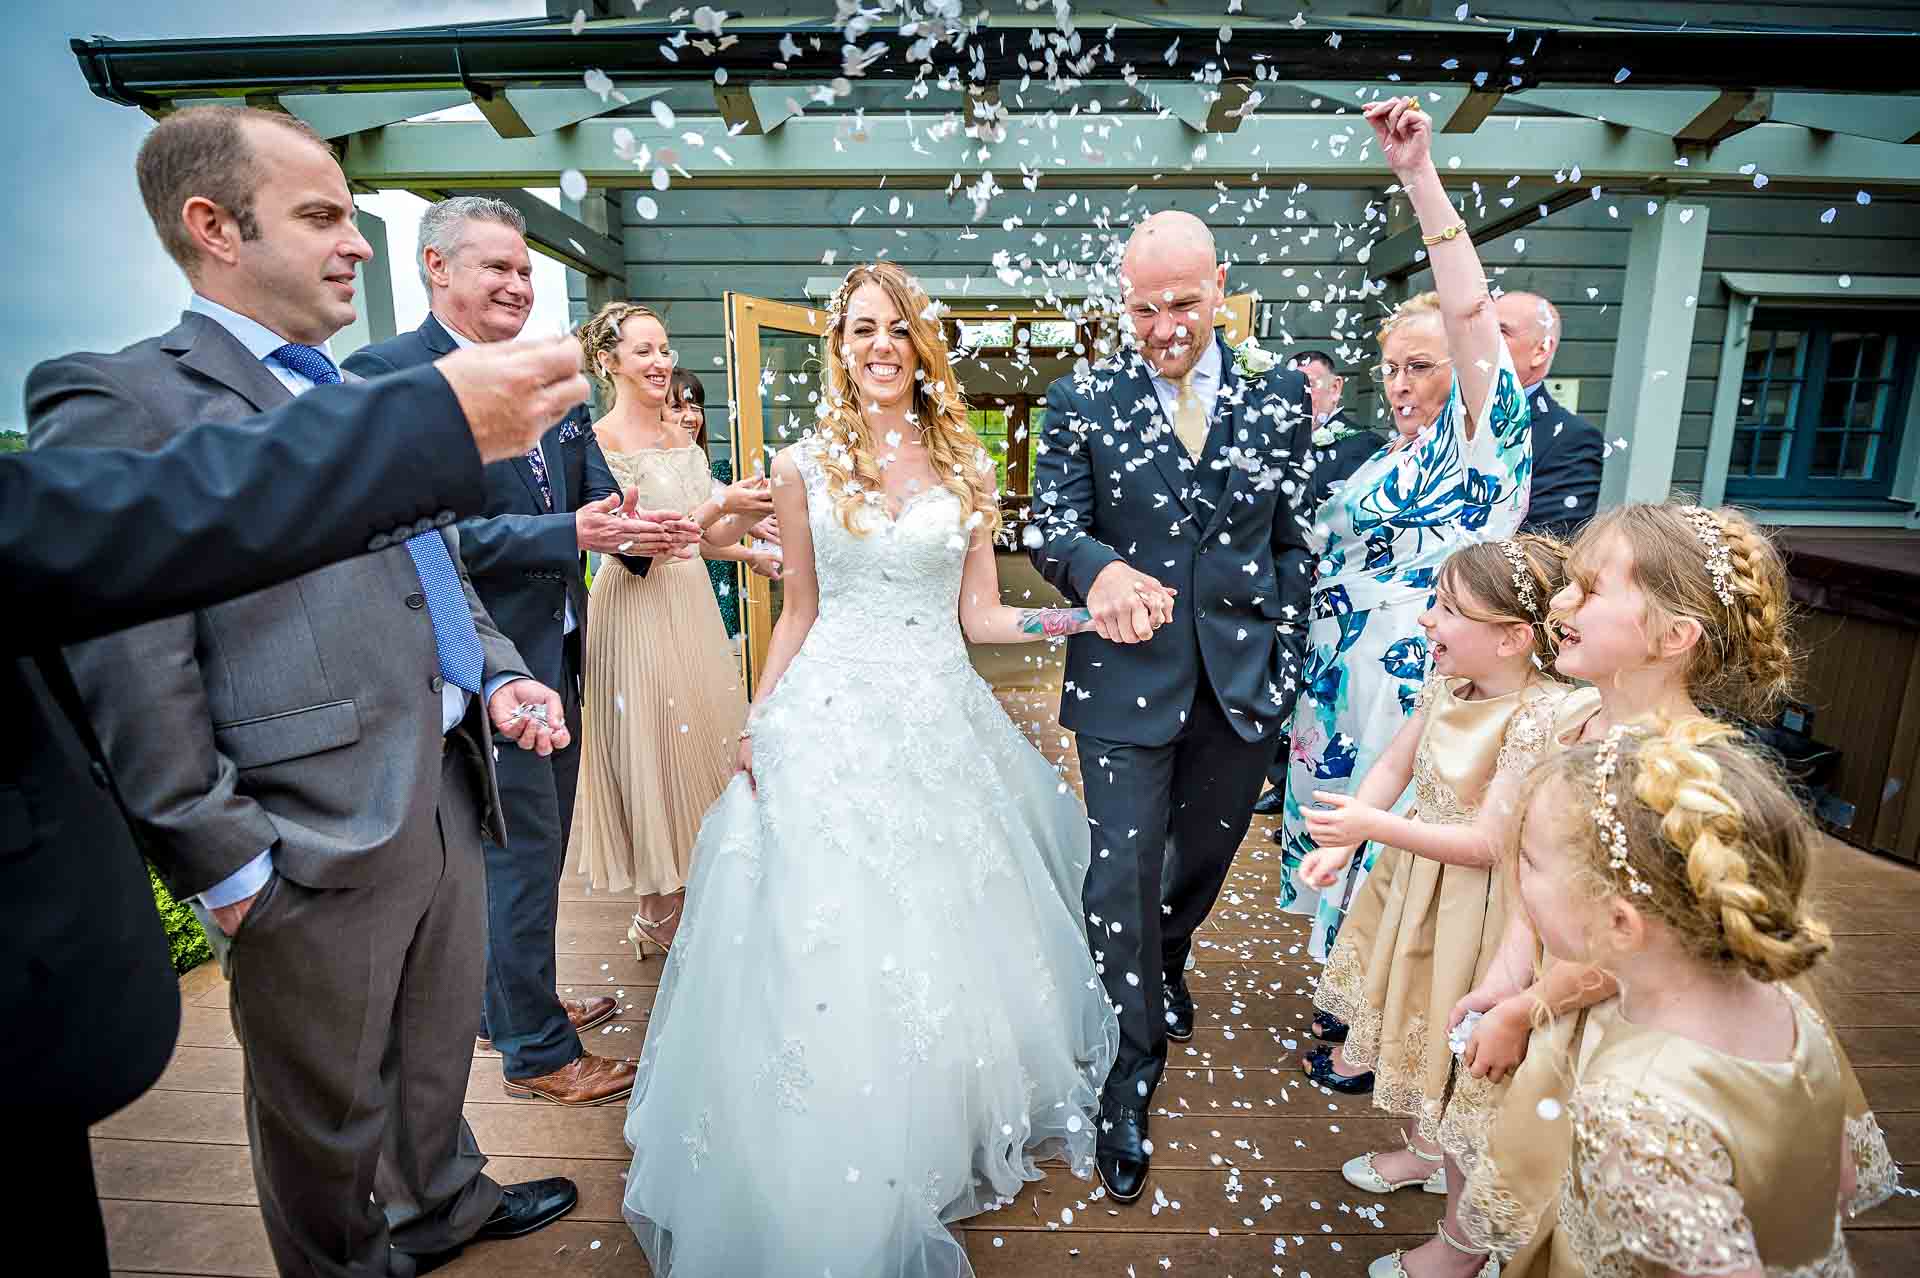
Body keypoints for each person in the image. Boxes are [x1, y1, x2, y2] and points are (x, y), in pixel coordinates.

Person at [27, 104, 581, 1276]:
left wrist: (501, 676)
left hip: (442, 783)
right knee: (322, 1114)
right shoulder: (122, 395)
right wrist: (221, 858)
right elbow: (126, 650)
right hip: (301, 829)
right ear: (213, 226)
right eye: (323, 215)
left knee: (433, 1052)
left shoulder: (341, 394)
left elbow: (433, 564)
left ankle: (440, 1205)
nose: (359, 243)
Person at [617, 262, 1117, 1276]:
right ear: (838, 349)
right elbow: (798, 610)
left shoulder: (965, 466)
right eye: (859, 330)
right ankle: (819, 1136)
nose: (878, 345)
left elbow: (982, 619)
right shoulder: (802, 464)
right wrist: (760, 722)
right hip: (830, 713)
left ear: (921, 346)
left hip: (937, 715)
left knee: (940, 926)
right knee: (818, 926)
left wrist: (1083, 614)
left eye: (895, 328)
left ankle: (923, 1125)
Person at [1446, 502, 1899, 1276]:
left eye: (1588, 592)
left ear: (1673, 636)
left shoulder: (1684, 780)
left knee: (1582, 1174)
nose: (1558, 603)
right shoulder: (1573, 721)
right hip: (1569, 986)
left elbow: (1645, 938)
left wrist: (1529, 1006)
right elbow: (1540, 883)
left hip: (1631, 1019)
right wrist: (1504, 972)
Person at [344, 195, 695, 1107]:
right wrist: (564, 534)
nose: (516, 285)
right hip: (473, 666)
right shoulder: (390, 375)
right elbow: (423, 536)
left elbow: (592, 498)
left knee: (532, 853)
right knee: (519, 854)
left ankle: (507, 1008)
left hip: (560, 656)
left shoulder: (549, 381)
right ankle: (539, 1054)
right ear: (436, 267)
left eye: (525, 271)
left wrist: (638, 530)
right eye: (495, 267)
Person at [1029, 209, 1315, 1202]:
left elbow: (1291, 533)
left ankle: (1172, 952)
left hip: (1242, 684)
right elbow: (1050, 525)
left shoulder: (1280, 395)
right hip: (1123, 685)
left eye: (1184, 303)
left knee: (1200, 861)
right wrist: (1098, 569)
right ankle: (1128, 1070)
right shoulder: (1081, 398)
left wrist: (1284, 657)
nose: (1164, 326)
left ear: (1222, 288)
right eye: (1143, 308)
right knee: (1121, 872)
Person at [1275, 97, 1535, 967]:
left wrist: (1417, 177)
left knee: (1394, 834)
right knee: (1339, 825)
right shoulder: (1388, 456)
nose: (1399, 383)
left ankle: (1374, 1009)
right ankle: (1339, 982)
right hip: (1339, 673)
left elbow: (1467, 314)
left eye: (1419, 366)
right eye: (1390, 368)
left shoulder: (1479, 438)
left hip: (1416, 669)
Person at [1481, 719, 1860, 1277]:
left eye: (1530, 862)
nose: (1515, 873)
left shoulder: (1635, 1103)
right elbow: (1841, 1178)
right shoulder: (1787, 1011)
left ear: (1619, 922)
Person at [1292, 537, 1570, 1278]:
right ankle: (1422, 1149)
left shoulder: (1539, 718)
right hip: (1415, 891)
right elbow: (1394, 763)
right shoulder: (1451, 685)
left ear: (1513, 636)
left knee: (1460, 1067)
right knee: (1414, 1030)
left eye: (1448, 609)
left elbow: (1487, 843)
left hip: (1479, 917)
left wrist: (1370, 829)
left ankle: (1464, 1242)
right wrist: (1350, 840)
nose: (1425, 620)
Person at [569, 302, 771, 956]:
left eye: (665, 350)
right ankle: (657, 912)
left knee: (708, 746)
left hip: (691, 609)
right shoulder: (592, 445)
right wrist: (722, 502)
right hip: (634, 611)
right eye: (645, 352)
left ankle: (698, 896)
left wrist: (753, 520)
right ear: (608, 361)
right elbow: (640, 546)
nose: (661, 364)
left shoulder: (680, 441)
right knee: (653, 751)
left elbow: (705, 540)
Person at [1253, 348, 1384, 818]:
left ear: (1336, 388)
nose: (1302, 396)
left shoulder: (1363, 447)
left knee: (1319, 690)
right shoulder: (1267, 441)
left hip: (1332, 587)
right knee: (1273, 680)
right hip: (1274, 585)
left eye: (1312, 385)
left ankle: (1316, 791)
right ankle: (1279, 776)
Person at [668, 367, 782, 641]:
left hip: (693, 591)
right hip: (664, 595)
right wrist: (749, 553)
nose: (691, 416)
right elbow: (695, 540)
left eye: (696, 407)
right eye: (677, 407)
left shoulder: (697, 464)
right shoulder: (658, 467)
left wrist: (749, 514)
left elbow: (712, 532)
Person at [1496, 291, 1602, 539]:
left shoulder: (1570, 440)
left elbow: (1543, 550)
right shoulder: (1443, 414)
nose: (1481, 339)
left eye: (1501, 332)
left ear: (1541, 350)